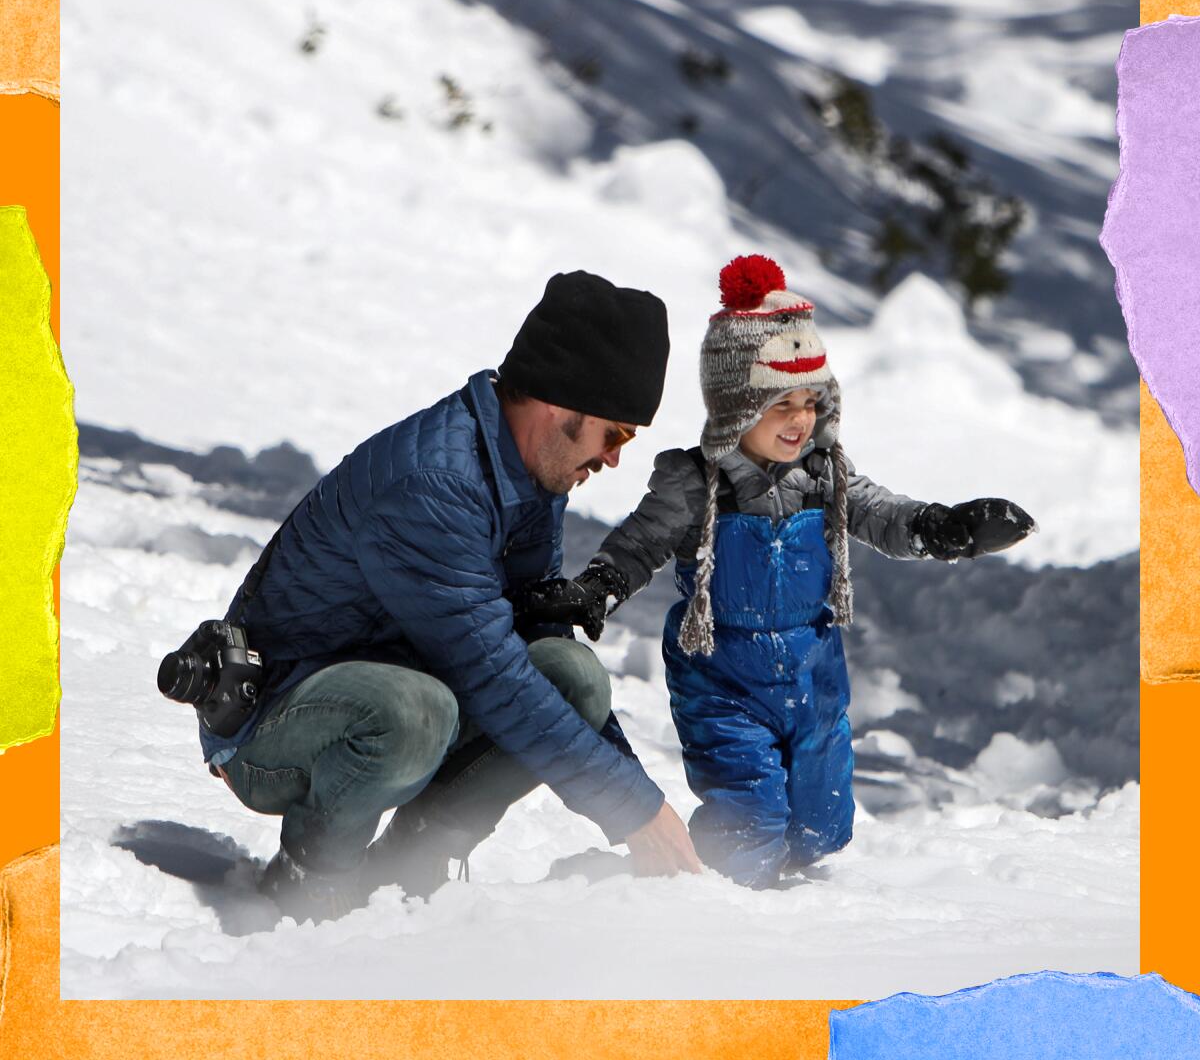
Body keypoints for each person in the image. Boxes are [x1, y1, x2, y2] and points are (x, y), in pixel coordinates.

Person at [518, 255, 1036, 890]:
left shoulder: (827, 478)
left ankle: (788, 910)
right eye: (779, 403)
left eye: (810, 401)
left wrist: (944, 527)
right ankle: (678, 892)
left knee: (823, 826)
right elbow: (638, 544)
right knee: (750, 823)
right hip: (723, 679)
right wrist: (598, 587)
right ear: (737, 406)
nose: (800, 419)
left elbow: (883, 515)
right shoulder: (695, 485)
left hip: (813, 675)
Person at [200, 270, 701, 922]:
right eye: (617, 434)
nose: (613, 459)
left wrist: (640, 799)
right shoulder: (434, 484)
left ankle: (410, 864)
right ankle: (308, 882)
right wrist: (636, 811)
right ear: (560, 405)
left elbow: (539, 644)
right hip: (270, 727)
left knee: (573, 680)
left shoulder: (530, 478)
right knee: (418, 712)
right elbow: (493, 678)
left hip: (391, 687)